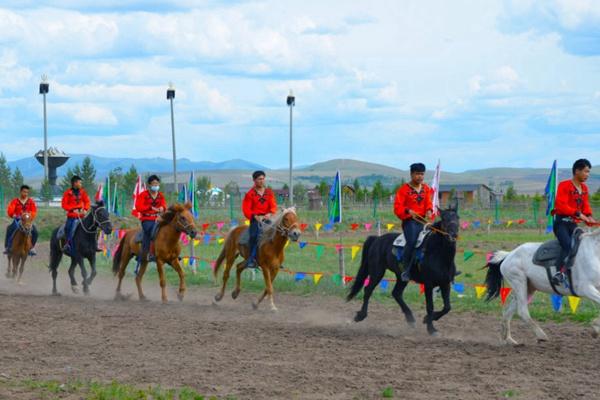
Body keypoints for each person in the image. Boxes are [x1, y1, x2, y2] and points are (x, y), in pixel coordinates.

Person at [551, 159, 596, 285]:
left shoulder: (584, 188)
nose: (588, 174)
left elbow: (586, 205)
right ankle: (560, 273)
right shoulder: (564, 185)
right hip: (561, 224)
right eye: (586, 171)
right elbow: (561, 205)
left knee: (586, 244)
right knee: (568, 245)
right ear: (577, 171)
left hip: (573, 225)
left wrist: (589, 216)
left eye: (589, 172)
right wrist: (579, 214)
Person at [394, 163, 433, 282]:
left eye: (422, 174)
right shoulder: (403, 190)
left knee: (435, 239)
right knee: (411, 242)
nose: (420, 177)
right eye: (417, 174)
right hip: (410, 221)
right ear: (411, 174)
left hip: (423, 221)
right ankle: (406, 269)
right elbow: (397, 207)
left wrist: (429, 210)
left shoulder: (426, 188)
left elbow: (428, 203)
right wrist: (408, 211)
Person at [241, 170, 277, 269]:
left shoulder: (269, 193)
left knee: (276, 234)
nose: (261, 181)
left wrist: (269, 213)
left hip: (267, 218)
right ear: (254, 180)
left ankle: (275, 257)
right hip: (255, 219)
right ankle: (251, 259)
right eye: (259, 179)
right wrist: (254, 216)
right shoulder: (250, 194)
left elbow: (273, 206)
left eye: (263, 179)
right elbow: (246, 209)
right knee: (253, 236)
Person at [134, 175, 167, 263]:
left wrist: (162, 208)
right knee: (151, 231)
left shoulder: (160, 195)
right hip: (147, 219)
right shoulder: (143, 195)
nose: (156, 185)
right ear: (149, 185)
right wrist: (150, 208)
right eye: (153, 183)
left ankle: (170, 251)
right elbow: (138, 207)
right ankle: (147, 253)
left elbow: (164, 205)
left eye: (157, 183)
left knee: (169, 228)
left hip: (159, 218)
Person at [4, 185, 38, 256]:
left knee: (35, 232)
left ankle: (31, 248)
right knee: (10, 229)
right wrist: (13, 214)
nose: (25, 194)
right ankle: (8, 247)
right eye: (24, 192)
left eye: (27, 192)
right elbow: (10, 210)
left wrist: (29, 215)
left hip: (27, 221)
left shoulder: (31, 202)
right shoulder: (15, 201)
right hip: (17, 220)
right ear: (20, 192)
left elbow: (34, 211)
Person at [61, 175, 91, 256]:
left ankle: (94, 245)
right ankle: (68, 244)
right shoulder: (67, 193)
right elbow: (64, 205)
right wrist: (72, 209)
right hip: (72, 216)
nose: (81, 184)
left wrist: (85, 209)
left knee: (92, 226)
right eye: (80, 182)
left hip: (82, 216)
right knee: (68, 228)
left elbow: (87, 202)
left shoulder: (83, 192)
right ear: (75, 183)